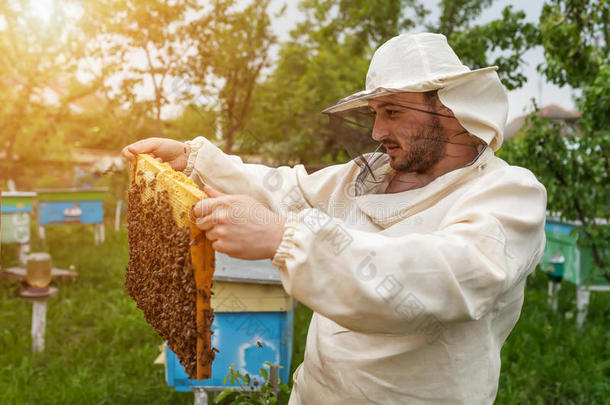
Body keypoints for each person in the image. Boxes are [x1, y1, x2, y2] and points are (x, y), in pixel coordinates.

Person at [122, 33, 546, 404]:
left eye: (393, 112)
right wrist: (196, 161)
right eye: (375, 113)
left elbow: (443, 276)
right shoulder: (368, 176)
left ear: (454, 111)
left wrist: (285, 240)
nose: (377, 132)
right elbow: (285, 190)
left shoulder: (508, 195)